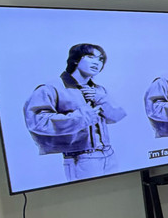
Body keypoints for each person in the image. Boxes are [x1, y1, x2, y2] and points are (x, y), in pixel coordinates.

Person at [23, 43, 127, 181]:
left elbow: (117, 116)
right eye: (90, 57)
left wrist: (101, 99)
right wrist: (81, 117)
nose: (97, 62)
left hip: (109, 155)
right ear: (76, 59)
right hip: (79, 158)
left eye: (100, 59)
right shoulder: (51, 88)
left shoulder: (98, 90)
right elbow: (37, 122)